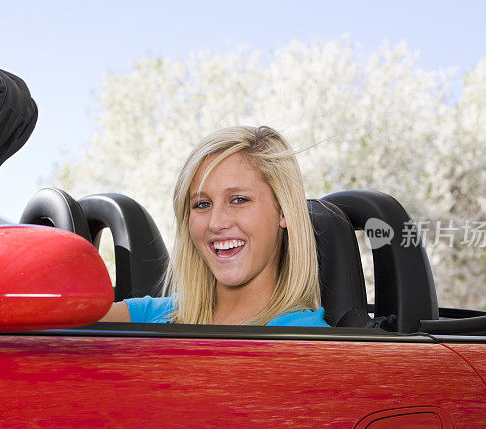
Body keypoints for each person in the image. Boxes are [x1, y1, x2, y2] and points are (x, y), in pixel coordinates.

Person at [100, 125, 328, 326]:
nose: (216, 223)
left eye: (239, 200)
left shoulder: (307, 343)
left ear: (283, 210)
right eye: (202, 204)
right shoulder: (150, 317)